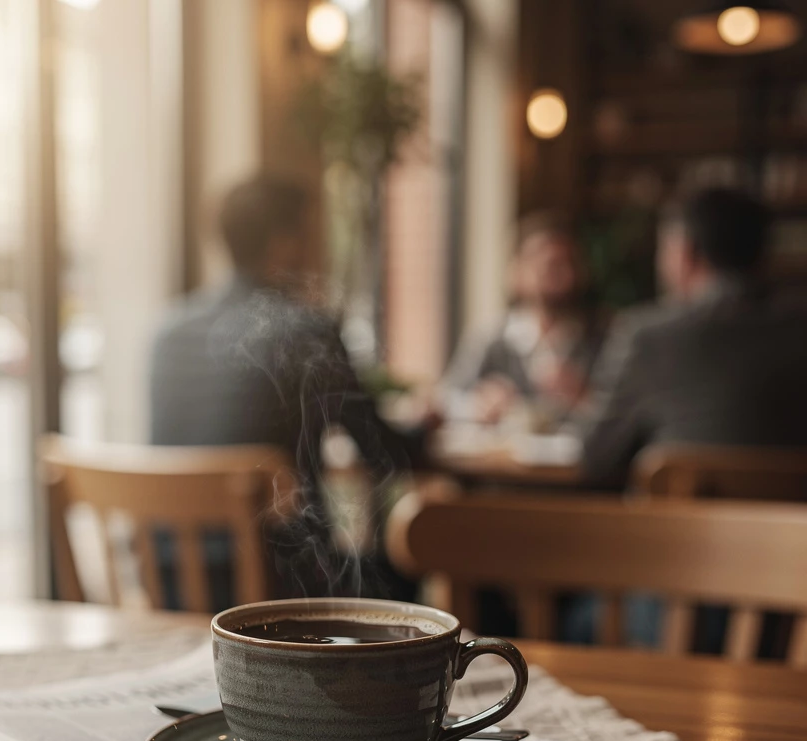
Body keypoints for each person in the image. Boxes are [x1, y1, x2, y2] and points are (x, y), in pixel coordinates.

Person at [149, 176, 426, 601]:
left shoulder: (167, 333)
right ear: (282, 243)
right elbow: (383, 452)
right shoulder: (307, 330)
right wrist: (426, 428)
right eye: (310, 233)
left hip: (169, 579)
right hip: (275, 587)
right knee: (406, 567)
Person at [582, 187, 807, 489]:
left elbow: (596, 458)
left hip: (678, 519)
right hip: (792, 518)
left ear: (685, 253)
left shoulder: (648, 337)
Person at [442, 211, 603, 429]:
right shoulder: (492, 338)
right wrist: (478, 404)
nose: (549, 275)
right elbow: (445, 398)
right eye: (539, 263)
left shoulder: (601, 339)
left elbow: (626, 414)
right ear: (516, 270)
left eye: (560, 264)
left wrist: (583, 397)